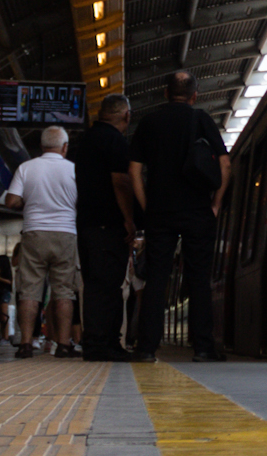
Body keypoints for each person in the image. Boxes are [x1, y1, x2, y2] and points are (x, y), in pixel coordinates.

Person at [128, 70, 230, 362]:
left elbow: (134, 172)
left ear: (165, 93)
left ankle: (146, 348)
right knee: (198, 277)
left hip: (160, 211)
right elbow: (225, 165)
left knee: (157, 278)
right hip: (197, 210)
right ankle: (203, 348)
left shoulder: (149, 122)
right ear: (195, 95)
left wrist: (148, 207)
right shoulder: (201, 120)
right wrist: (215, 204)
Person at [4, 125, 79, 359]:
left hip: (34, 233)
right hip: (66, 234)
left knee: (29, 291)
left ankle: (26, 344)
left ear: (41, 145)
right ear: (65, 147)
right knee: (64, 291)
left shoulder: (26, 168)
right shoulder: (74, 169)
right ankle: (64, 344)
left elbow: (11, 201)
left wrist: (31, 204)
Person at [74, 93, 139, 361]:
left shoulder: (83, 141)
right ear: (126, 116)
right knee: (108, 285)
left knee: (93, 284)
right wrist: (129, 219)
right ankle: (103, 345)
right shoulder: (116, 141)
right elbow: (121, 182)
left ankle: (96, 342)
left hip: (86, 223)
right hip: (107, 224)